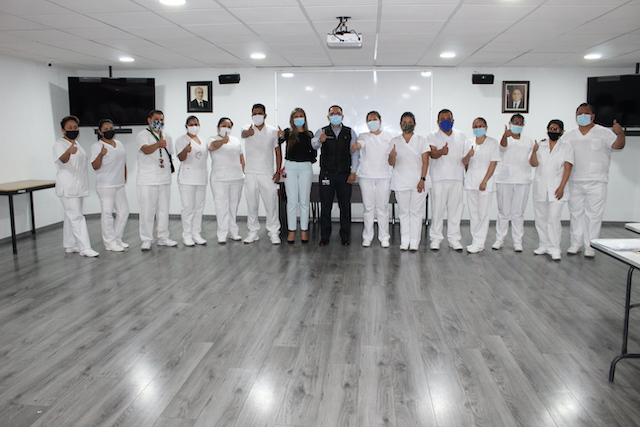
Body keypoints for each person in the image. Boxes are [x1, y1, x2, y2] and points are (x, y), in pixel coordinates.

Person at [565, 103, 625, 257]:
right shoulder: (569, 135)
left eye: (586, 113)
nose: (582, 116)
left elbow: (618, 146)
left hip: (597, 180)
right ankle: (575, 244)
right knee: (576, 214)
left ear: (593, 116)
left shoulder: (603, 132)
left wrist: (620, 134)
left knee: (594, 215)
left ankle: (591, 245)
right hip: (575, 180)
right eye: (579, 114)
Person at [311, 105, 360, 246]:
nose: (335, 116)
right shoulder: (322, 131)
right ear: (328, 117)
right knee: (326, 206)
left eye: (338, 114)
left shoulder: (349, 132)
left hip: (344, 175)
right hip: (327, 174)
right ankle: (325, 236)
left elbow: (355, 154)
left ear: (342, 116)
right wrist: (320, 140)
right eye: (332, 114)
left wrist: (353, 172)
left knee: (345, 206)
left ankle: (345, 236)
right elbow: (313, 145)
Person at [53, 115, 99, 257]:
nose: (73, 130)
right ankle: (85, 247)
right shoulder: (60, 144)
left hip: (78, 186)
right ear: (63, 130)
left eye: (75, 127)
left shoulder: (76, 143)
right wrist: (68, 152)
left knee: (70, 216)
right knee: (77, 217)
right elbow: (63, 159)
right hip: (68, 187)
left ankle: (70, 245)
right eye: (70, 128)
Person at [530, 120, 574, 261]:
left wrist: (561, 187)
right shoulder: (541, 145)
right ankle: (543, 245)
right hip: (540, 187)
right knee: (541, 219)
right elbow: (533, 163)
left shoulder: (566, 147)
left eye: (556, 129)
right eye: (551, 129)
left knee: (553, 219)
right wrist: (534, 151)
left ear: (562, 131)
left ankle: (554, 248)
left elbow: (568, 168)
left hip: (557, 188)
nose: (553, 131)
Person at [240, 103, 283, 245]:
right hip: (251, 173)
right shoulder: (246, 128)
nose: (257, 116)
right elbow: (244, 134)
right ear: (251, 115)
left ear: (265, 115)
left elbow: (278, 152)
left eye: (259, 113)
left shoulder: (272, 131)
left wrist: (278, 171)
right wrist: (248, 133)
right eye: (254, 113)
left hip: (267, 173)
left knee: (271, 205)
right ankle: (253, 232)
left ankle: (274, 232)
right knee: (252, 205)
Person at [136, 109, 177, 250]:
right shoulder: (143, 135)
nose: (159, 122)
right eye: (156, 119)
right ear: (149, 120)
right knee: (147, 211)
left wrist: (162, 144)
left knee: (163, 210)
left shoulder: (167, 135)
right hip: (147, 179)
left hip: (164, 178)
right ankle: (146, 239)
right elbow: (145, 150)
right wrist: (158, 144)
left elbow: (170, 153)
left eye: (161, 120)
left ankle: (163, 237)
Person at [492, 114, 535, 252]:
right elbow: (502, 147)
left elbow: (532, 160)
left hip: (522, 180)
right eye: (515, 122)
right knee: (503, 212)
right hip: (504, 179)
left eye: (520, 123)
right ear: (510, 123)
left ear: (523, 125)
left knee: (518, 213)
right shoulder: (501, 138)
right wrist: (505, 136)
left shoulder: (529, 142)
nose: (517, 125)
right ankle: (500, 239)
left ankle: (518, 241)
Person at [388, 112, 430, 251]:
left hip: (418, 181)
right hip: (401, 181)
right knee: (404, 212)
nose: (407, 125)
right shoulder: (394, 141)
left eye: (410, 122)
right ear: (400, 124)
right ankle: (405, 240)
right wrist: (392, 156)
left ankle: (414, 241)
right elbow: (390, 163)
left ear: (415, 124)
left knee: (416, 212)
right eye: (404, 123)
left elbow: (425, 161)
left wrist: (422, 179)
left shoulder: (421, 140)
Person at [351, 111, 393, 248]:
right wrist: (356, 146)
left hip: (384, 176)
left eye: (375, 119)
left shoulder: (388, 136)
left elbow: (393, 153)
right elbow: (360, 144)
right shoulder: (364, 136)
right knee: (368, 208)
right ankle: (367, 236)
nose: (372, 122)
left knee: (382, 208)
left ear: (380, 121)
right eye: (369, 120)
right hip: (366, 176)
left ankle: (384, 237)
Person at [427, 108, 467, 251]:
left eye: (448, 119)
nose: (445, 122)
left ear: (453, 120)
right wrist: (441, 151)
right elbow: (432, 154)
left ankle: (454, 239)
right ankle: (436, 239)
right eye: (442, 119)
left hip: (457, 177)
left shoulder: (461, 136)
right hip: (438, 178)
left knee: (455, 210)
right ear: (437, 122)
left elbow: (466, 158)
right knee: (437, 210)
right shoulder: (432, 136)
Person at [90, 119, 129, 252]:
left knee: (123, 212)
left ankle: (117, 238)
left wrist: (124, 177)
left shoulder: (119, 144)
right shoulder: (97, 146)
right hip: (105, 185)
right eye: (106, 129)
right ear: (100, 131)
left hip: (119, 183)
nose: (109, 131)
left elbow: (123, 161)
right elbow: (95, 166)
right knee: (107, 214)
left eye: (111, 128)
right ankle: (109, 242)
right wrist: (101, 154)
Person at [279, 108, 317, 244]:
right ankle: (291, 231)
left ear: (305, 118)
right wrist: (279, 136)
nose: (299, 118)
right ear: (292, 119)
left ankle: (304, 230)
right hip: (290, 167)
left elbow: (313, 152)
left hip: (305, 167)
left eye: (301, 116)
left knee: (304, 200)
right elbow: (278, 142)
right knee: (292, 200)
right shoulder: (288, 133)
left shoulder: (309, 134)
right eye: (296, 116)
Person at [462, 118, 500, 253]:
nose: (478, 128)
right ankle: (476, 242)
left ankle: (479, 242)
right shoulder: (468, 142)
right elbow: (464, 162)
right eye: (475, 126)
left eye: (481, 126)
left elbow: (493, 163)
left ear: (486, 127)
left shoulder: (492, 143)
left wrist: (484, 181)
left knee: (483, 214)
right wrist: (469, 154)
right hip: (471, 182)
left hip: (485, 184)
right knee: (474, 214)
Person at [209, 118, 245, 244]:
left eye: (229, 126)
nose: (226, 128)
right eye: (223, 125)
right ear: (218, 127)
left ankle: (233, 232)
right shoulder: (212, 139)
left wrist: (244, 172)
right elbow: (212, 147)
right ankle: (222, 233)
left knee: (233, 207)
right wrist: (222, 141)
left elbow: (241, 158)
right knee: (221, 206)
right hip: (219, 179)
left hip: (236, 177)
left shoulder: (235, 140)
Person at [175, 115, 208, 246]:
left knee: (199, 207)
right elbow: (181, 158)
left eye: (196, 124)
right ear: (186, 126)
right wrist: (185, 150)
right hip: (187, 178)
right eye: (191, 124)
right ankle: (187, 235)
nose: (194, 127)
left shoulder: (203, 140)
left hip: (201, 177)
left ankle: (196, 233)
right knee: (188, 208)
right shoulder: (181, 139)